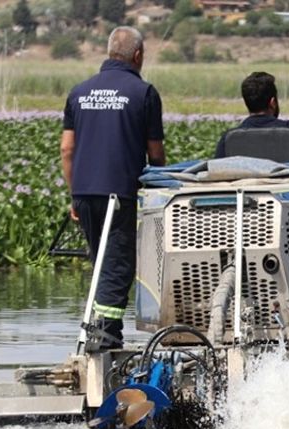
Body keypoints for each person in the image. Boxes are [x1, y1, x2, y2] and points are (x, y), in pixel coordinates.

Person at [60, 26, 166, 349]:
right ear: (138, 56)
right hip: (119, 193)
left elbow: (67, 149)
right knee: (118, 265)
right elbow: (156, 154)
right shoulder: (144, 93)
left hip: (85, 192)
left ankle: (99, 331)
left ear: (109, 53)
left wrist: (74, 194)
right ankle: (105, 338)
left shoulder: (79, 92)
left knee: (101, 263)